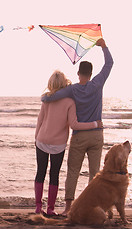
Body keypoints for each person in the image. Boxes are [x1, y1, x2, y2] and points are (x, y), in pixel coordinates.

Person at [41, 38, 113, 215]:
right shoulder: (97, 84)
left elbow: (51, 97)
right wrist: (103, 46)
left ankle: (67, 209)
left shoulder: (72, 89)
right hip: (96, 135)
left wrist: (44, 98)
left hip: (79, 135)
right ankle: (93, 206)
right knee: (95, 173)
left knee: (73, 171)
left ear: (79, 72)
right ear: (91, 73)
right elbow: (110, 63)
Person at [34, 70, 103, 215]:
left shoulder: (47, 99)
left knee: (40, 172)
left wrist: (36, 138)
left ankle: (38, 207)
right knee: (54, 175)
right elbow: (75, 125)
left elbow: (40, 120)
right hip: (58, 144)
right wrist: (95, 124)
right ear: (65, 84)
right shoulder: (70, 102)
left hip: (42, 140)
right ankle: (50, 209)